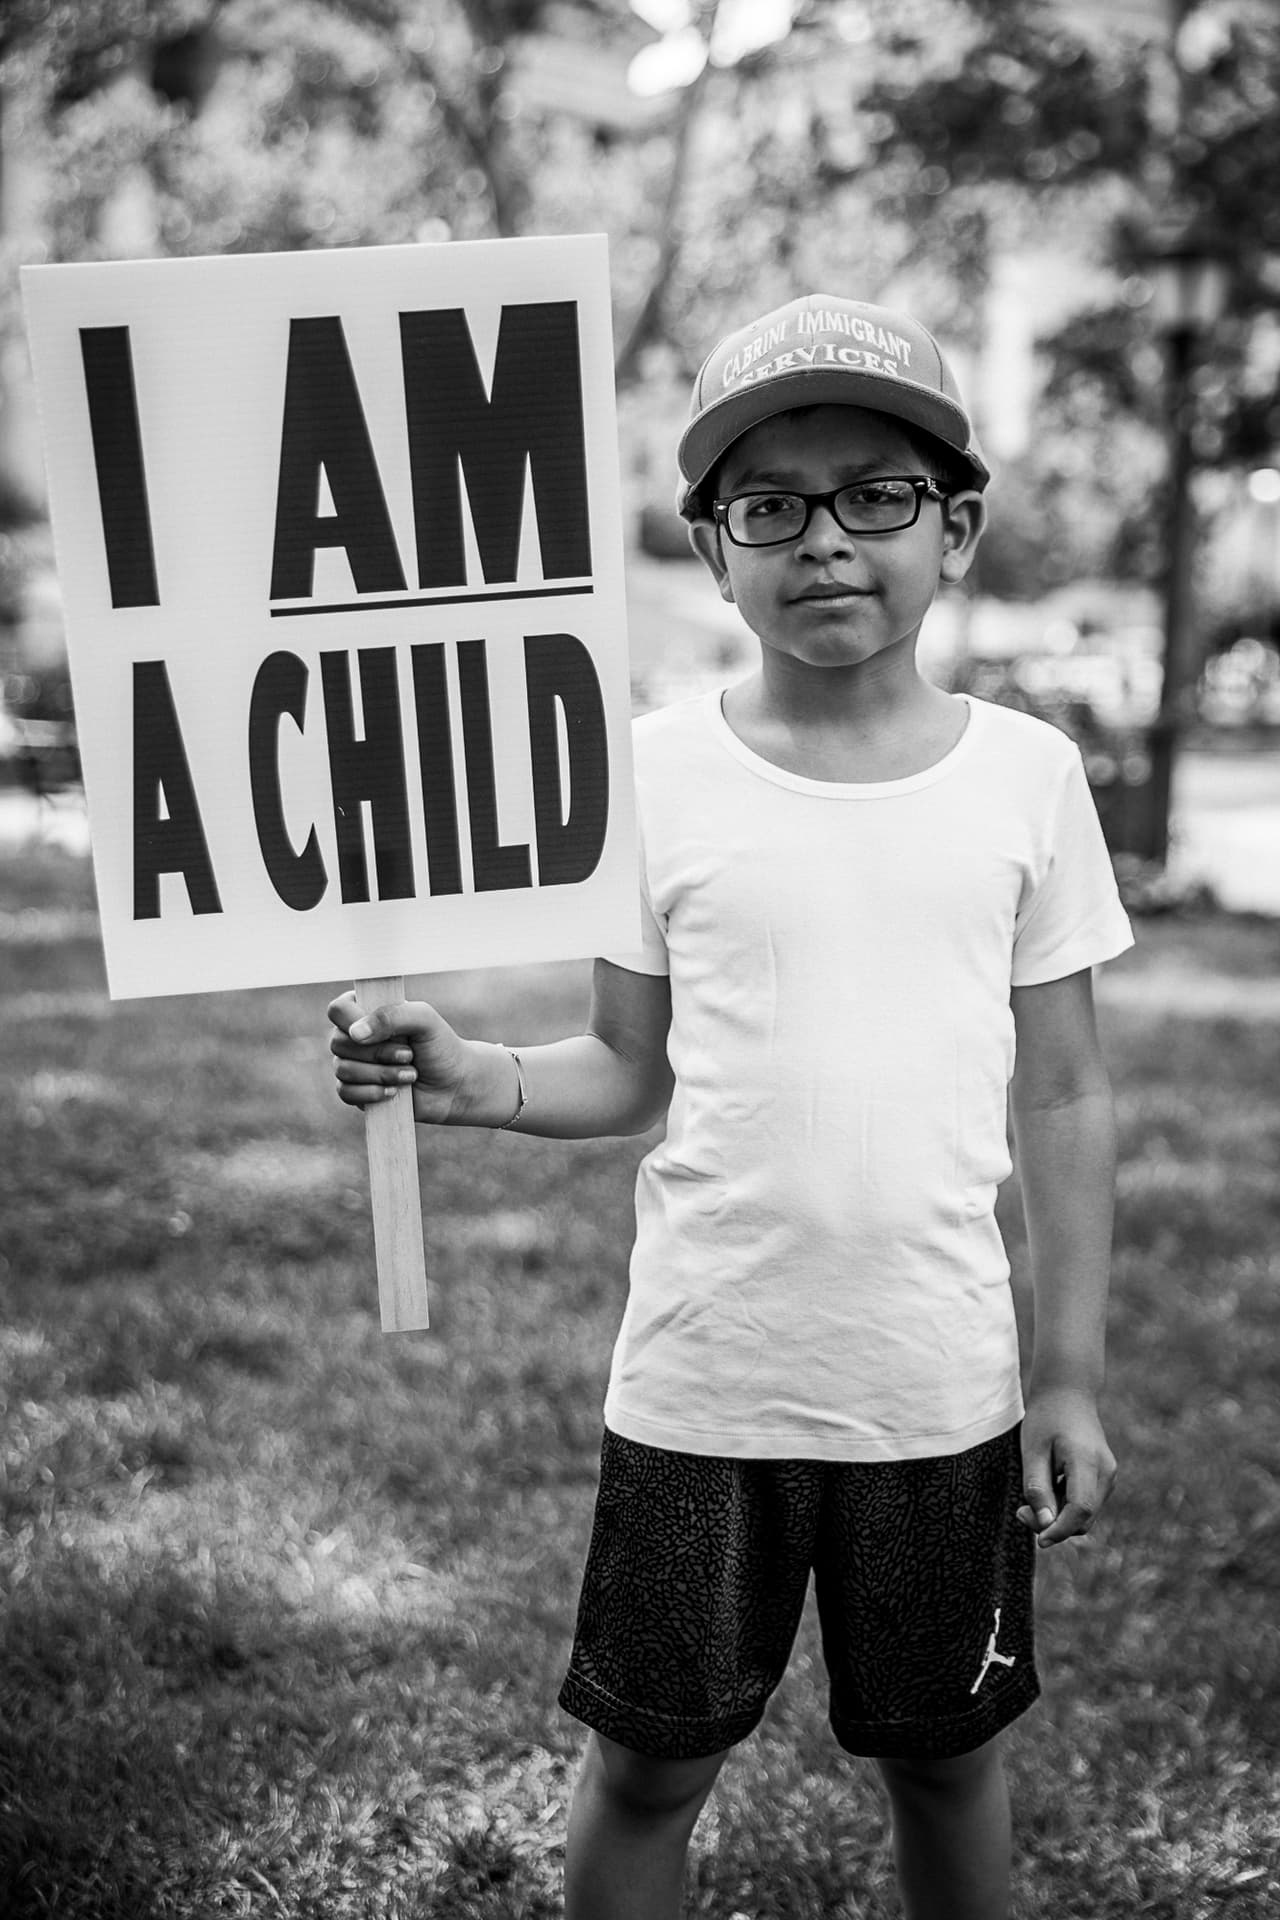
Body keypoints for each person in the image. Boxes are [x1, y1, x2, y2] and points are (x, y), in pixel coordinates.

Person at [328, 292, 1133, 1920]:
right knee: (647, 1768)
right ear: (713, 548)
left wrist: (1066, 1375)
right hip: (704, 1387)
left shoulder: (1028, 778)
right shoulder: (652, 773)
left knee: (947, 1761)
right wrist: (475, 1077)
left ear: (956, 528)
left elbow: (1063, 1092)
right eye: (770, 504)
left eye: (877, 495)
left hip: (937, 1394)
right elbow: (628, 1066)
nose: (825, 538)